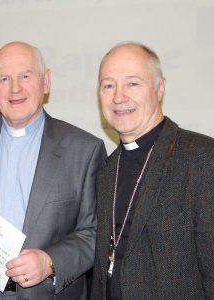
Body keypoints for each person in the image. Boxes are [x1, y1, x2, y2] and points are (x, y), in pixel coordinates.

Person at [0, 41, 106, 300]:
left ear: (45, 82)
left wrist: (51, 262)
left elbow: (94, 232)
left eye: (25, 76)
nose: (15, 88)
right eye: (4, 78)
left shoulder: (84, 149)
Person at [91, 42, 214, 299]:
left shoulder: (202, 158)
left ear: (160, 88)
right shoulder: (105, 171)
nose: (118, 97)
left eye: (133, 84)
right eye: (108, 85)